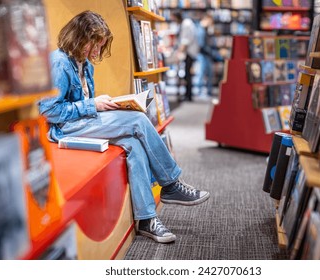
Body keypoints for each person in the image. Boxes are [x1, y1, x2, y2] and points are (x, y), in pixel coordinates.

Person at [38, 11, 210, 243]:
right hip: (65, 129)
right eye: (94, 45)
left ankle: (147, 219)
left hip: (82, 122)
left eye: (100, 46)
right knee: (138, 120)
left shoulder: (85, 64)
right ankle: (170, 184)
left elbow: (84, 101)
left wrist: (102, 104)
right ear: (78, 37)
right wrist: (92, 105)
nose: (97, 52)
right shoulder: (59, 63)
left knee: (133, 143)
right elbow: (48, 111)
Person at [172, 11, 199, 102]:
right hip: (189, 52)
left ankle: (188, 96)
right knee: (187, 74)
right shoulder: (186, 23)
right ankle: (187, 95)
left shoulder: (186, 24)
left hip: (189, 53)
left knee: (188, 75)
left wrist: (178, 53)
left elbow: (185, 41)